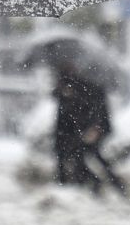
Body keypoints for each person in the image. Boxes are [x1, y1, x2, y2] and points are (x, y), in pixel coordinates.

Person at [52, 61, 124, 195]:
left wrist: (94, 127)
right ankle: (95, 182)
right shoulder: (71, 85)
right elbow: (60, 99)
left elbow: (96, 109)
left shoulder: (90, 88)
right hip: (76, 129)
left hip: (92, 128)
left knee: (86, 154)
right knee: (80, 155)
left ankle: (101, 182)